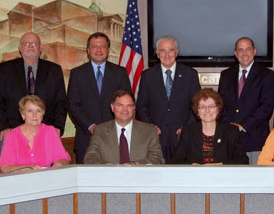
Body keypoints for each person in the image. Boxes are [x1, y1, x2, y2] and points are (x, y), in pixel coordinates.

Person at [0, 32, 67, 163]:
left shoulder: (54, 70)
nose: (30, 46)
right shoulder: (6, 69)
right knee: (11, 177)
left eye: (34, 43)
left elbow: (61, 102)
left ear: (40, 47)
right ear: (20, 48)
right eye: (26, 43)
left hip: (45, 133)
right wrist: (3, 127)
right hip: (11, 132)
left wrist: (57, 126)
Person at [68, 32, 132, 163]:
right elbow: (73, 105)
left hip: (115, 137)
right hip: (86, 138)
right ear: (88, 50)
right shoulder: (77, 73)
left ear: (108, 49)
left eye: (102, 46)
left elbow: (127, 103)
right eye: (94, 46)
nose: (98, 50)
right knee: (87, 181)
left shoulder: (120, 73)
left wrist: (111, 128)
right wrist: (91, 126)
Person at [136, 36, 201, 163]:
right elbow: (141, 106)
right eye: (162, 50)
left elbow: (197, 105)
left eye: (170, 50)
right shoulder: (147, 75)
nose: (167, 54)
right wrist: (150, 126)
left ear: (176, 52)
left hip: (182, 137)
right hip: (156, 137)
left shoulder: (190, 74)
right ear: (157, 53)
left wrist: (187, 128)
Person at [218, 37, 274, 165]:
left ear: (254, 51)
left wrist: (243, 126)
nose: (244, 53)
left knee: (254, 182)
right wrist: (230, 127)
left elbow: (266, 107)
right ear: (235, 53)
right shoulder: (226, 75)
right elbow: (220, 105)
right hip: (229, 140)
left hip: (254, 140)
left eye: (248, 49)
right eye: (240, 50)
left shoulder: (267, 75)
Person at [170, 88, 248, 165]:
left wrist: (220, 165)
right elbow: (175, 161)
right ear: (197, 111)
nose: (207, 110)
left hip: (223, 176)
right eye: (202, 107)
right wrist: (192, 165)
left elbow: (243, 160)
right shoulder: (188, 131)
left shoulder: (231, 131)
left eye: (211, 106)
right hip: (195, 176)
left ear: (218, 109)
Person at [84, 90, 164, 165]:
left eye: (129, 106)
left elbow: (158, 159)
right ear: (112, 107)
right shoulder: (100, 131)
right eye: (120, 105)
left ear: (134, 108)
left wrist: (136, 164)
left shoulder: (149, 131)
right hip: (109, 177)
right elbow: (90, 158)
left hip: (140, 177)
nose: (125, 110)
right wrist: (110, 167)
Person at [0, 95, 70, 173]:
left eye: (38, 111)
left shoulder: (50, 131)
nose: (34, 115)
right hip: (19, 181)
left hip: (45, 179)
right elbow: (5, 167)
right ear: (23, 115)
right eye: (30, 111)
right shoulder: (12, 136)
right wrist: (27, 168)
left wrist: (60, 163)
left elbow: (63, 158)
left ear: (42, 115)